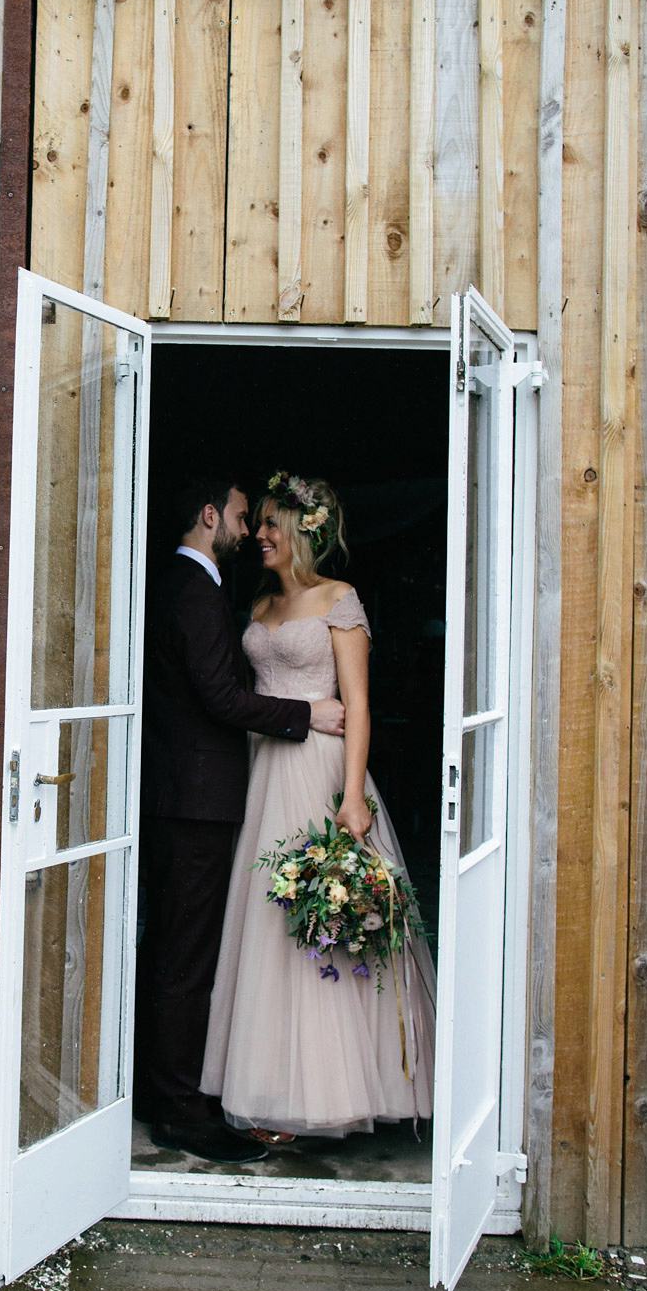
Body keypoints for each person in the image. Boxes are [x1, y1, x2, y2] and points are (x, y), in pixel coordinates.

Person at [201, 473, 436, 1136]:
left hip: (321, 772)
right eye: (261, 524)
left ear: (306, 533)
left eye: (273, 525)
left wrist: (354, 796)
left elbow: (358, 705)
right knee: (268, 927)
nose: (261, 537)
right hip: (262, 770)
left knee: (325, 915)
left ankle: (329, 1094)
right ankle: (268, 1086)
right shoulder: (259, 604)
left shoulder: (341, 600)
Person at [136, 477, 346, 1164]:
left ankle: (176, 1092)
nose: (246, 527)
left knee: (189, 949)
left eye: (260, 520)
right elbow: (224, 697)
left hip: (215, 793)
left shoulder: (196, 587)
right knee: (187, 957)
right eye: (236, 515)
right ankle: (176, 1110)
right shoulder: (193, 590)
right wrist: (304, 715)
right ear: (208, 516)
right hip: (196, 799)